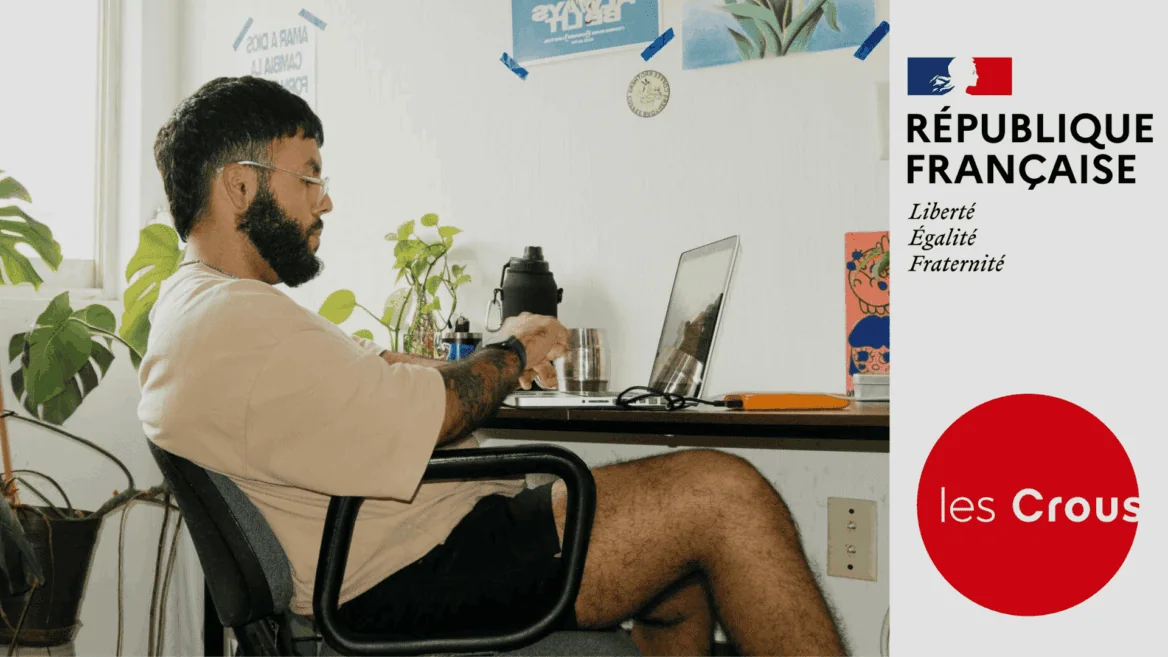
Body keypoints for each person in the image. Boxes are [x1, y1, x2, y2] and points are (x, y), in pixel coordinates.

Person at [139, 76, 846, 657]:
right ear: (240, 186)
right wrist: (514, 354)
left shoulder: (210, 311)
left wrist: (473, 354)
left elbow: (372, 379)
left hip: (417, 549)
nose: (325, 200)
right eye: (309, 176)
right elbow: (438, 412)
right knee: (724, 494)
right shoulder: (234, 320)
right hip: (413, 572)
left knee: (678, 582)